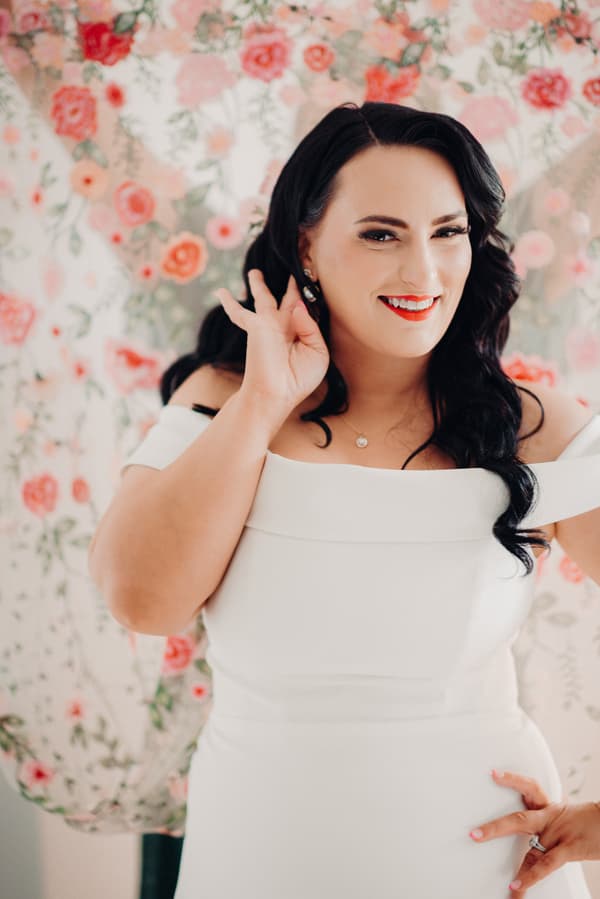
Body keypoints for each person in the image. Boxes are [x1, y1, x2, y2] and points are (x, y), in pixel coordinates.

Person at [89, 101, 600, 897]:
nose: (423, 272)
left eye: (448, 231)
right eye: (381, 233)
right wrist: (263, 402)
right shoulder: (223, 398)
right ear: (307, 245)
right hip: (262, 849)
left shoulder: (534, 429)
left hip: (482, 861)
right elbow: (141, 598)